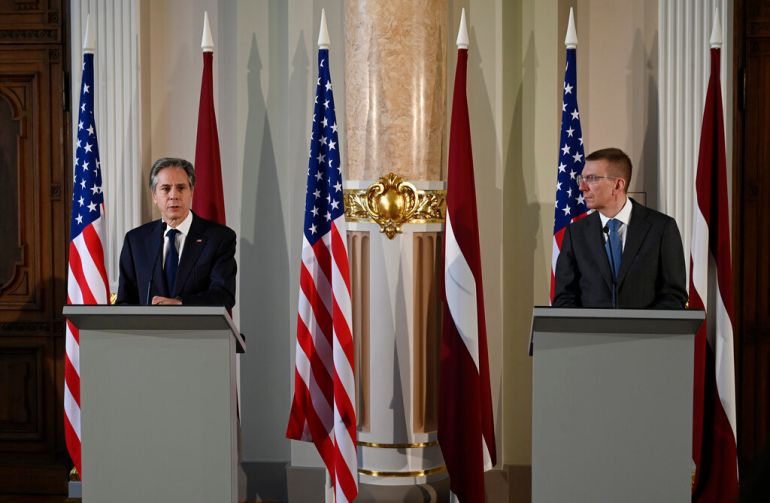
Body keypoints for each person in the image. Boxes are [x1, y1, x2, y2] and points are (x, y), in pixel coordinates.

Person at [553, 147, 687, 309]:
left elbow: (673, 295)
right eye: (582, 178)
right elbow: (564, 297)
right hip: (590, 333)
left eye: (591, 178)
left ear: (617, 185)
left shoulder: (662, 228)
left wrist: (644, 329)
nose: (582, 187)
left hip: (647, 333)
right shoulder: (576, 233)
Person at [116, 157, 236, 308]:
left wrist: (180, 304)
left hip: (198, 330)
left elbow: (223, 296)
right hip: (148, 331)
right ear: (154, 195)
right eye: (165, 188)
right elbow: (125, 302)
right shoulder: (136, 241)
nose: (174, 195)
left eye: (181, 188)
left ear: (191, 191)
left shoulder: (219, 238)